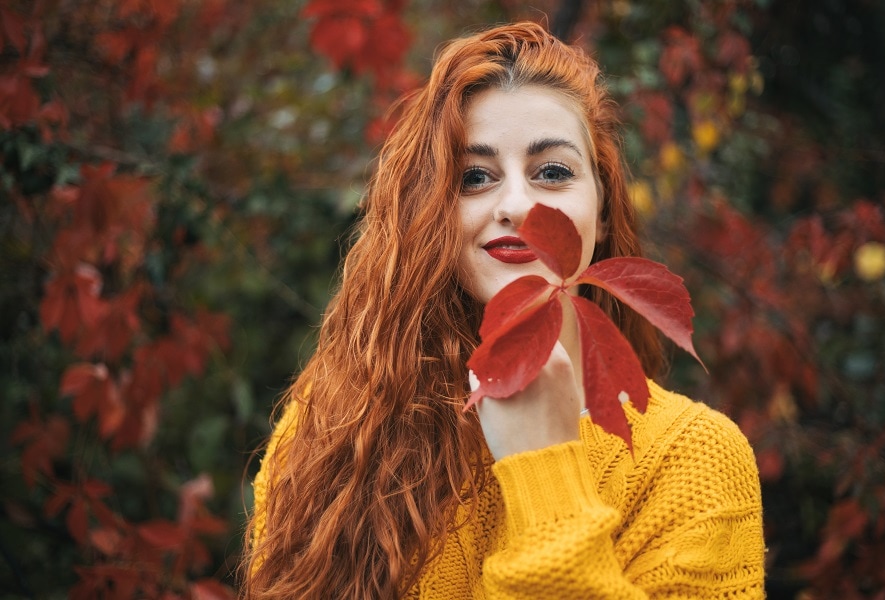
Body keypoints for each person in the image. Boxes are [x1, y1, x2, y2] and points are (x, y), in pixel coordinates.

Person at [241, 22, 766, 599]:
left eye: (553, 172)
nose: (516, 204)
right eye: (474, 177)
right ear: (431, 213)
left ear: (605, 209)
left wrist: (544, 468)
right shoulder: (331, 435)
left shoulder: (693, 460)